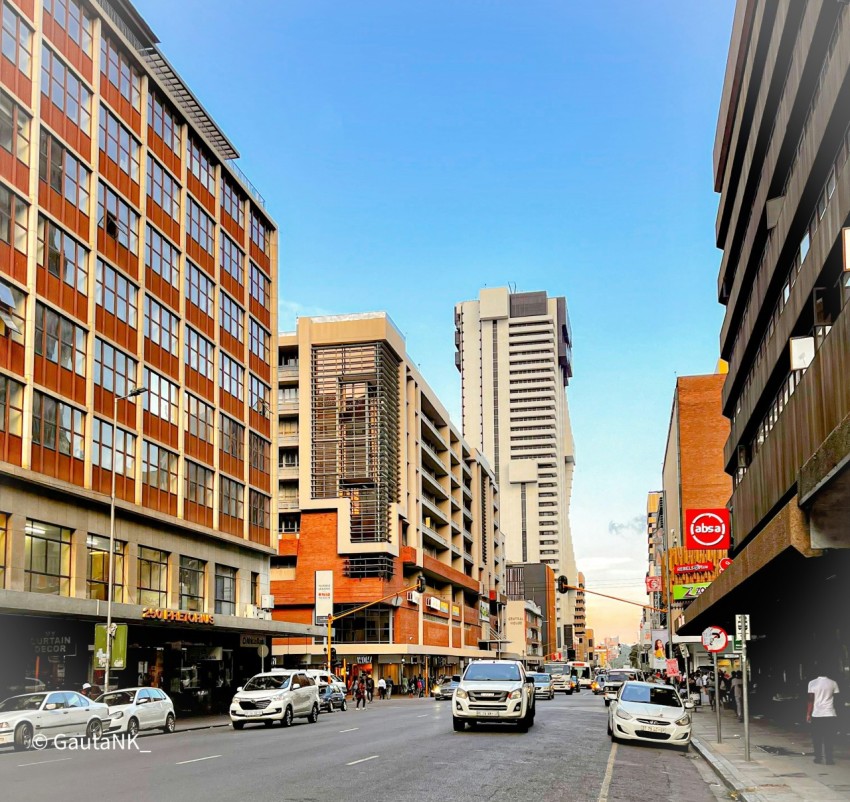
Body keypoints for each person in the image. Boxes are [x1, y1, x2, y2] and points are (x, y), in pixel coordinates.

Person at [807, 669, 840, 765]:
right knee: (829, 737)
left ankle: (818, 758)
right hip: (830, 714)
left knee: (816, 737)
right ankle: (829, 759)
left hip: (817, 714)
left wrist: (808, 713)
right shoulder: (833, 683)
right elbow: (838, 700)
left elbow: (810, 700)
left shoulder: (812, 683)